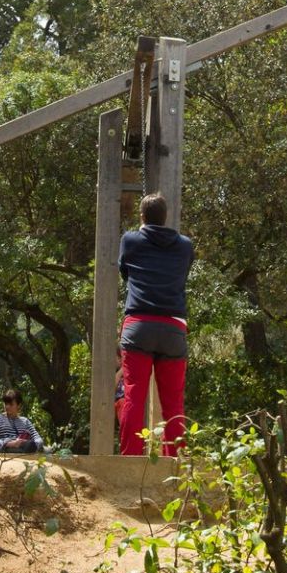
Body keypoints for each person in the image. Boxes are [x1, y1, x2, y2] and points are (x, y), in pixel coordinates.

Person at [118, 192, 194, 457]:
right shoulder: (185, 245)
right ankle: (176, 462)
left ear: (142, 217)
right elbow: (182, 275)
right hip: (173, 326)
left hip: (138, 325)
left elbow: (125, 273)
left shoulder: (130, 240)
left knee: (134, 397)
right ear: (166, 218)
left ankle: (130, 460)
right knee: (173, 402)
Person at [0, 389, 44, 453]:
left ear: (18, 405)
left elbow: (39, 439)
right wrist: (10, 444)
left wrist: (25, 443)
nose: (7, 406)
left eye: (11, 404)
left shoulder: (25, 421)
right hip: (6, 450)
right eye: (5, 403)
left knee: (48, 449)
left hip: (25, 449)